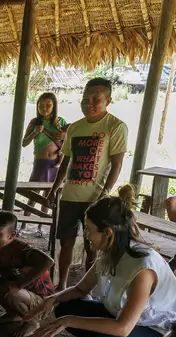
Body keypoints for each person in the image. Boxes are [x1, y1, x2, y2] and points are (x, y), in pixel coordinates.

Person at [29, 187, 176, 337]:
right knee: (66, 307)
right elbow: (79, 289)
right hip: (135, 325)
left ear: (108, 233)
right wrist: (53, 298)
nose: (86, 234)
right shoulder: (111, 252)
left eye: (89, 229)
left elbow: (123, 328)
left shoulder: (142, 267)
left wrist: (67, 321)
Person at [47, 78, 128, 290]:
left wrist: (104, 194)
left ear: (108, 100)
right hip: (69, 196)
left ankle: (86, 288)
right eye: (85, 99)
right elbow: (66, 160)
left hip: (94, 199)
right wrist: (55, 187)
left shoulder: (116, 127)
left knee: (93, 246)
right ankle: (62, 284)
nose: (89, 104)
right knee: (65, 242)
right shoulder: (75, 128)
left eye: (96, 99)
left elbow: (117, 164)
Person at [0, 211, 55, 337]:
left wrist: (20, 284)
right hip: (21, 294)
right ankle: (14, 314)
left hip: (41, 301)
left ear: (12, 235)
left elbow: (48, 261)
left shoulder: (23, 250)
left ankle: (32, 322)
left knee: (12, 291)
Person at [22, 92, 68, 237]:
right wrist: (35, 133)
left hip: (55, 164)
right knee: (32, 196)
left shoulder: (60, 122)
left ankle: (40, 227)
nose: (44, 108)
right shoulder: (34, 122)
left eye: (48, 105)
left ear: (54, 106)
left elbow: (67, 144)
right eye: (41, 105)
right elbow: (24, 143)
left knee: (48, 197)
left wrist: (64, 137)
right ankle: (23, 224)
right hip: (40, 163)